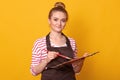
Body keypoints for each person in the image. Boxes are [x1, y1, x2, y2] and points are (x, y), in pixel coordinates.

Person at [30, 2, 88, 80]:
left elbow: (76, 71)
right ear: (49, 20)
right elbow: (34, 72)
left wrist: (81, 62)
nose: (59, 24)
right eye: (55, 19)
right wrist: (47, 59)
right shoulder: (40, 43)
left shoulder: (72, 42)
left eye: (63, 20)